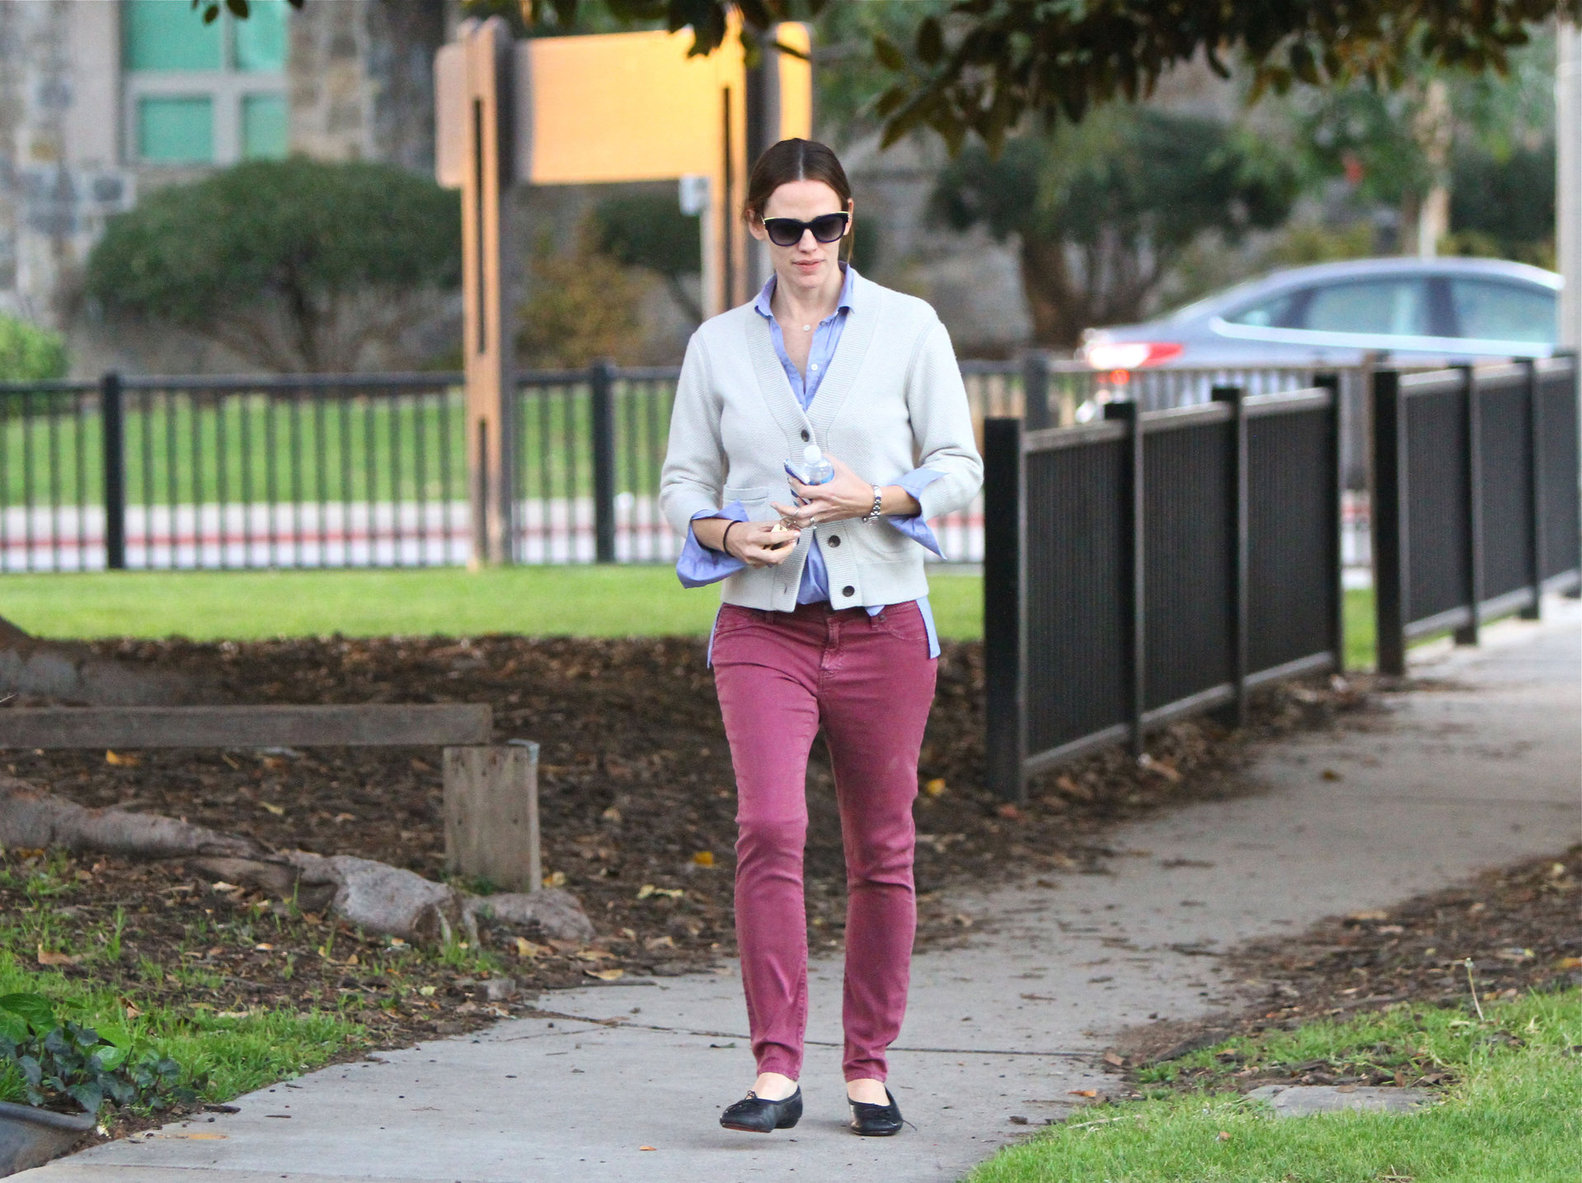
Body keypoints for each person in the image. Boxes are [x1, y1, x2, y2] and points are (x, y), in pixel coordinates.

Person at [659, 138, 983, 1137]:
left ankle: (869, 1066)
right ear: (757, 225)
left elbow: (958, 463)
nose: (808, 243)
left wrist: (876, 496)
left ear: (850, 219)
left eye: (826, 224)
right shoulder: (718, 344)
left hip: (885, 625)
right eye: (787, 226)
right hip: (763, 626)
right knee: (769, 828)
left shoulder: (907, 327)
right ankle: (773, 1069)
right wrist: (726, 532)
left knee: (880, 847)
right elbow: (681, 484)